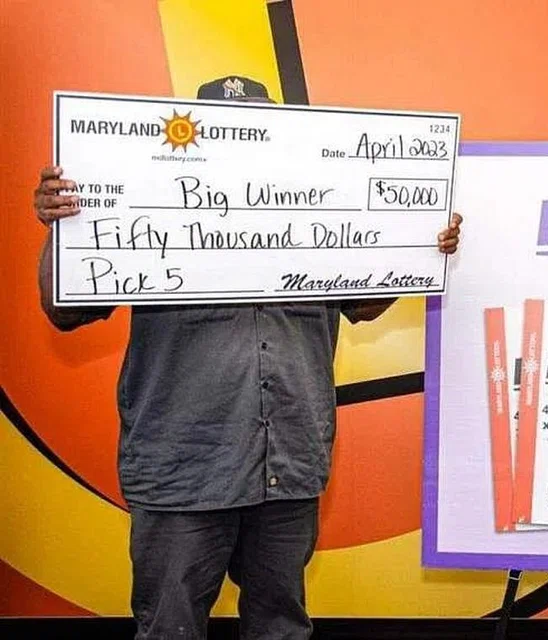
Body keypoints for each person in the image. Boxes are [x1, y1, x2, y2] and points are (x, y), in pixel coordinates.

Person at [33, 75, 463, 640]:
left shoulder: (323, 205)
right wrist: (66, 230)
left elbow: (363, 304)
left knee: (280, 628)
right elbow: (65, 310)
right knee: (170, 629)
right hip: (183, 465)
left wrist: (417, 249)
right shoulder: (148, 197)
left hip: (287, 463)